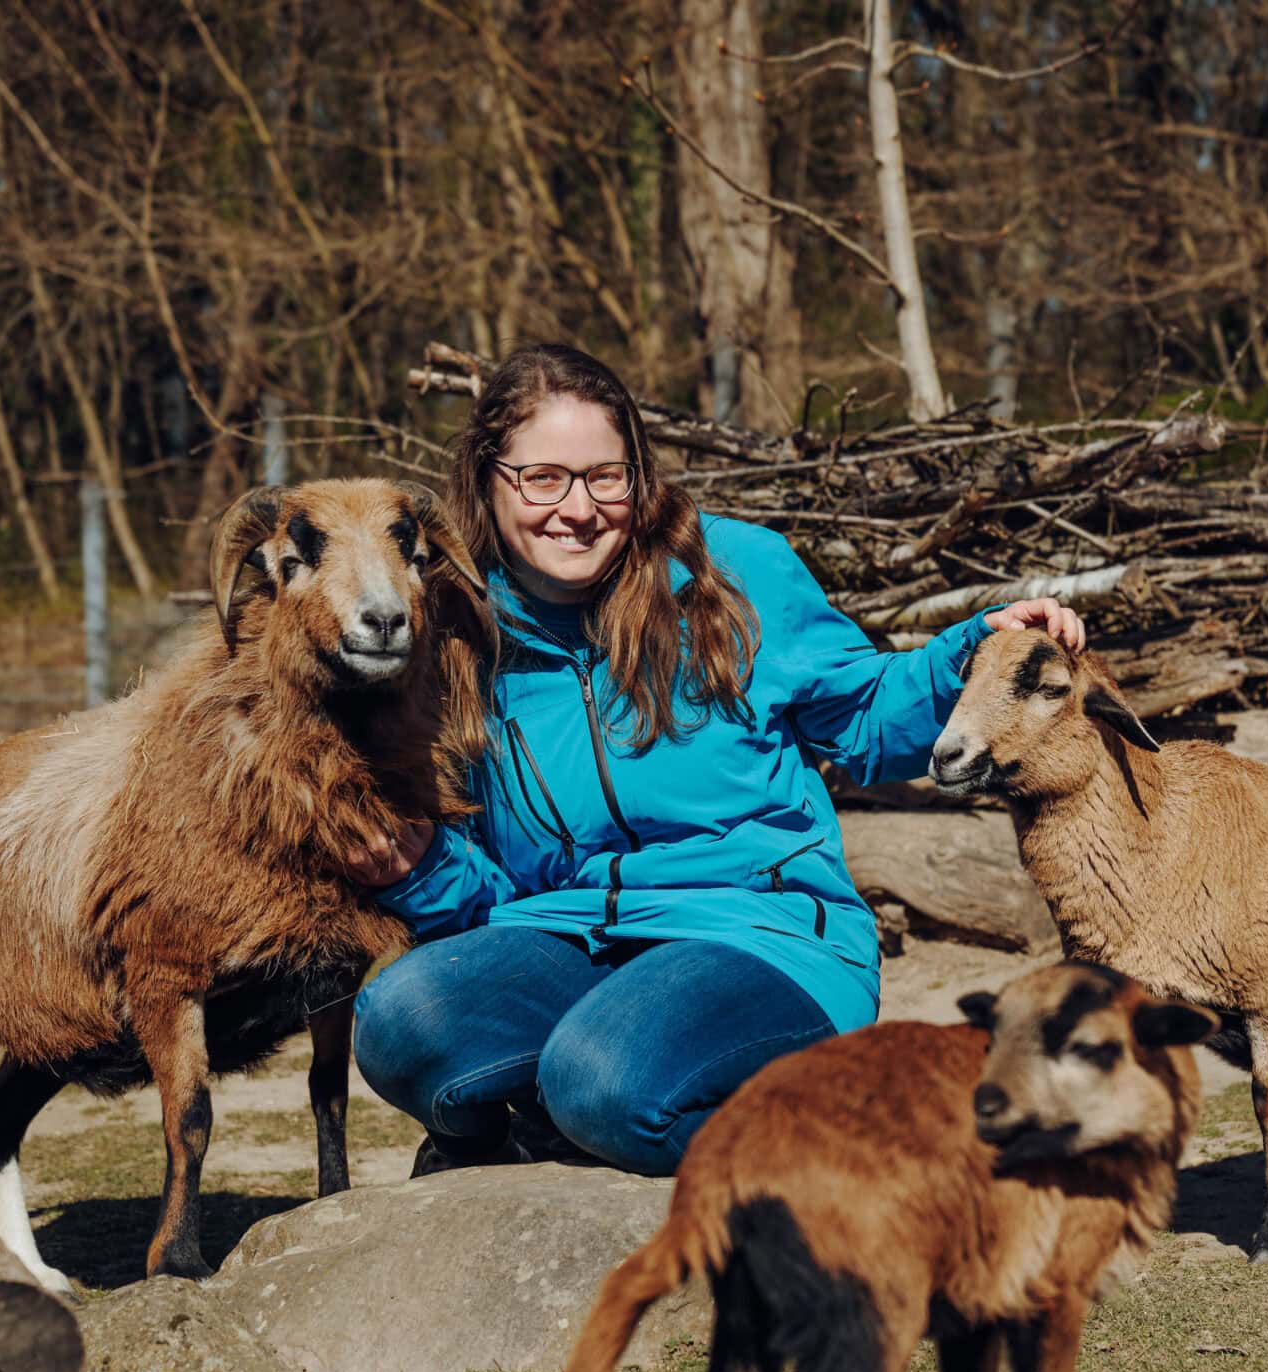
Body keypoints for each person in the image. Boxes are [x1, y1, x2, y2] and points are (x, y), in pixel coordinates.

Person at [347, 343, 1085, 1177]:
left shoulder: (733, 576)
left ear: (640, 476)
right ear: (488, 479)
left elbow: (868, 719)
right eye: (543, 478)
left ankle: (855, 1144)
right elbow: (488, 887)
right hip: (568, 934)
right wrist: (421, 871)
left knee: (600, 1079)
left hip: (763, 934)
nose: (579, 508)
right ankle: (511, 1142)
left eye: (606, 476)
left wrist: (970, 654)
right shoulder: (451, 636)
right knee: (400, 1021)